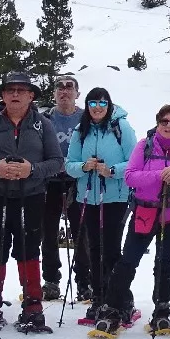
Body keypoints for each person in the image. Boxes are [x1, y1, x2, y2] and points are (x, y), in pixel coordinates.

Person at [0, 71, 65, 334]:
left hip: (31, 196)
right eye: (11, 90)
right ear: (2, 95)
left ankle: (33, 307)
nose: (16, 94)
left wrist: (31, 170)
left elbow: (57, 162)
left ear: (31, 95)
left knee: (29, 249)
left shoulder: (43, 125)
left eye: (22, 90)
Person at [101, 103, 170, 335]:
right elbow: (130, 177)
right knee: (128, 261)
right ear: (157, 123)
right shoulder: (144, 146)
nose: (168, 126)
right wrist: (159, 175)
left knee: (165, 263)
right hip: (144, 213)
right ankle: (113, 307)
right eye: (164, 121)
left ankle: (162, 308)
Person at [64, 86, 136, 324]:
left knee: (112, 249)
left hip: (115, 197)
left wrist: (112, 171)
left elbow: (135, 162)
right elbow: (69, 164)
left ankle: (119, 300)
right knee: (93, 248)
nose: (97, 108)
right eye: (93, 103)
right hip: (89, 196)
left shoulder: (121, 127)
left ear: (109, 105)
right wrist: (84, 166)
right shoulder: (80, 130)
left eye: (102, 103)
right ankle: (99, 297)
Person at [42, 74, 83, 300]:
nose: (64, 91)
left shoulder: (85, 118)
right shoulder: (45, 118)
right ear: (55, 92)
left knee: (81, 231)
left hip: (78, 180)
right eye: (60, 87)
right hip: (50, 181)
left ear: (77, 93)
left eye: (70, 87)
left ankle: (83, 280)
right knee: (47, 232)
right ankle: (50, 280)